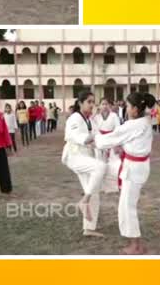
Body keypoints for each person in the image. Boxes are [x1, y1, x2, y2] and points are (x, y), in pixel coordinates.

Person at [95, 92, 155, 255]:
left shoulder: (134, 124)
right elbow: (131, 141)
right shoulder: (144, 121)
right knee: (127, 205)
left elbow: (109, 138)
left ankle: (136, 246)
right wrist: (123, 147)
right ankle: (135, 243)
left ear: (135, 109)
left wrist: (95, 137)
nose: (126, 109)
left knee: (127, 207)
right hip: (136, 166)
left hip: (134, 169)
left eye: (128, 106)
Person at [61, 91, 107, 237]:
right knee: (100, 167)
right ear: (80, 103)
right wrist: (92, 138)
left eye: (93, 102)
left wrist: (110, 142)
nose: (92, 105)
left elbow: (99, 136)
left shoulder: (91, 120)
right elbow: (75, 136)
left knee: (94, 191)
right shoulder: (74, 118)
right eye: (89, 101)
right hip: (74, 156)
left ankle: (89, 228)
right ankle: (84, 200)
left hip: (86, 157)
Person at [91, 97, 121, 193]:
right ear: (99, 106)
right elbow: (91, 127)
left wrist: (117, 144)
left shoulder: (114, 116)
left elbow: (118, 130)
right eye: (102, 104)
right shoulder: (96, 117)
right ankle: (99, 185)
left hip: (111, 141)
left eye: (106, 104)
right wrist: (95, 113)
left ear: (110, 106)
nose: (104, 106)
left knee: (113, 164)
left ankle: (112, 186)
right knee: (99, 163)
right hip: (100, 141)